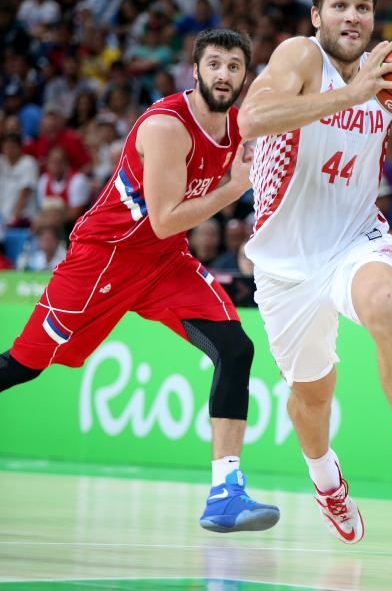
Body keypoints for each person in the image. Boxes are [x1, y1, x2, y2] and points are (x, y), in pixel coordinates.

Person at [0, 28, 280, 535]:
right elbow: (166, 219)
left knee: (236, 349)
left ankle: (225, 494)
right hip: (104, 260)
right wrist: (236, 188)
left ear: (245, 75)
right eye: (214, 64)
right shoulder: (166, 126)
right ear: (195, 71)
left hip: (164, 263)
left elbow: (288, 112)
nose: (224, 74)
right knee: (22, 365)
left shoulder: (238, 124)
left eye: (234, 66)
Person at [238, 0, 392, 544]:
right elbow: (251, 118)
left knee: (385, 304)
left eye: (362, 6)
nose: (352, 16)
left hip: (354, 242)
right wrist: (352, 94)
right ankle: (326, 481)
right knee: (311, 400)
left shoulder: (391, 75)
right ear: (317, 15)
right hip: (285, 266)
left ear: (374, 16)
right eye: (339, 5)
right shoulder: (300, 56)